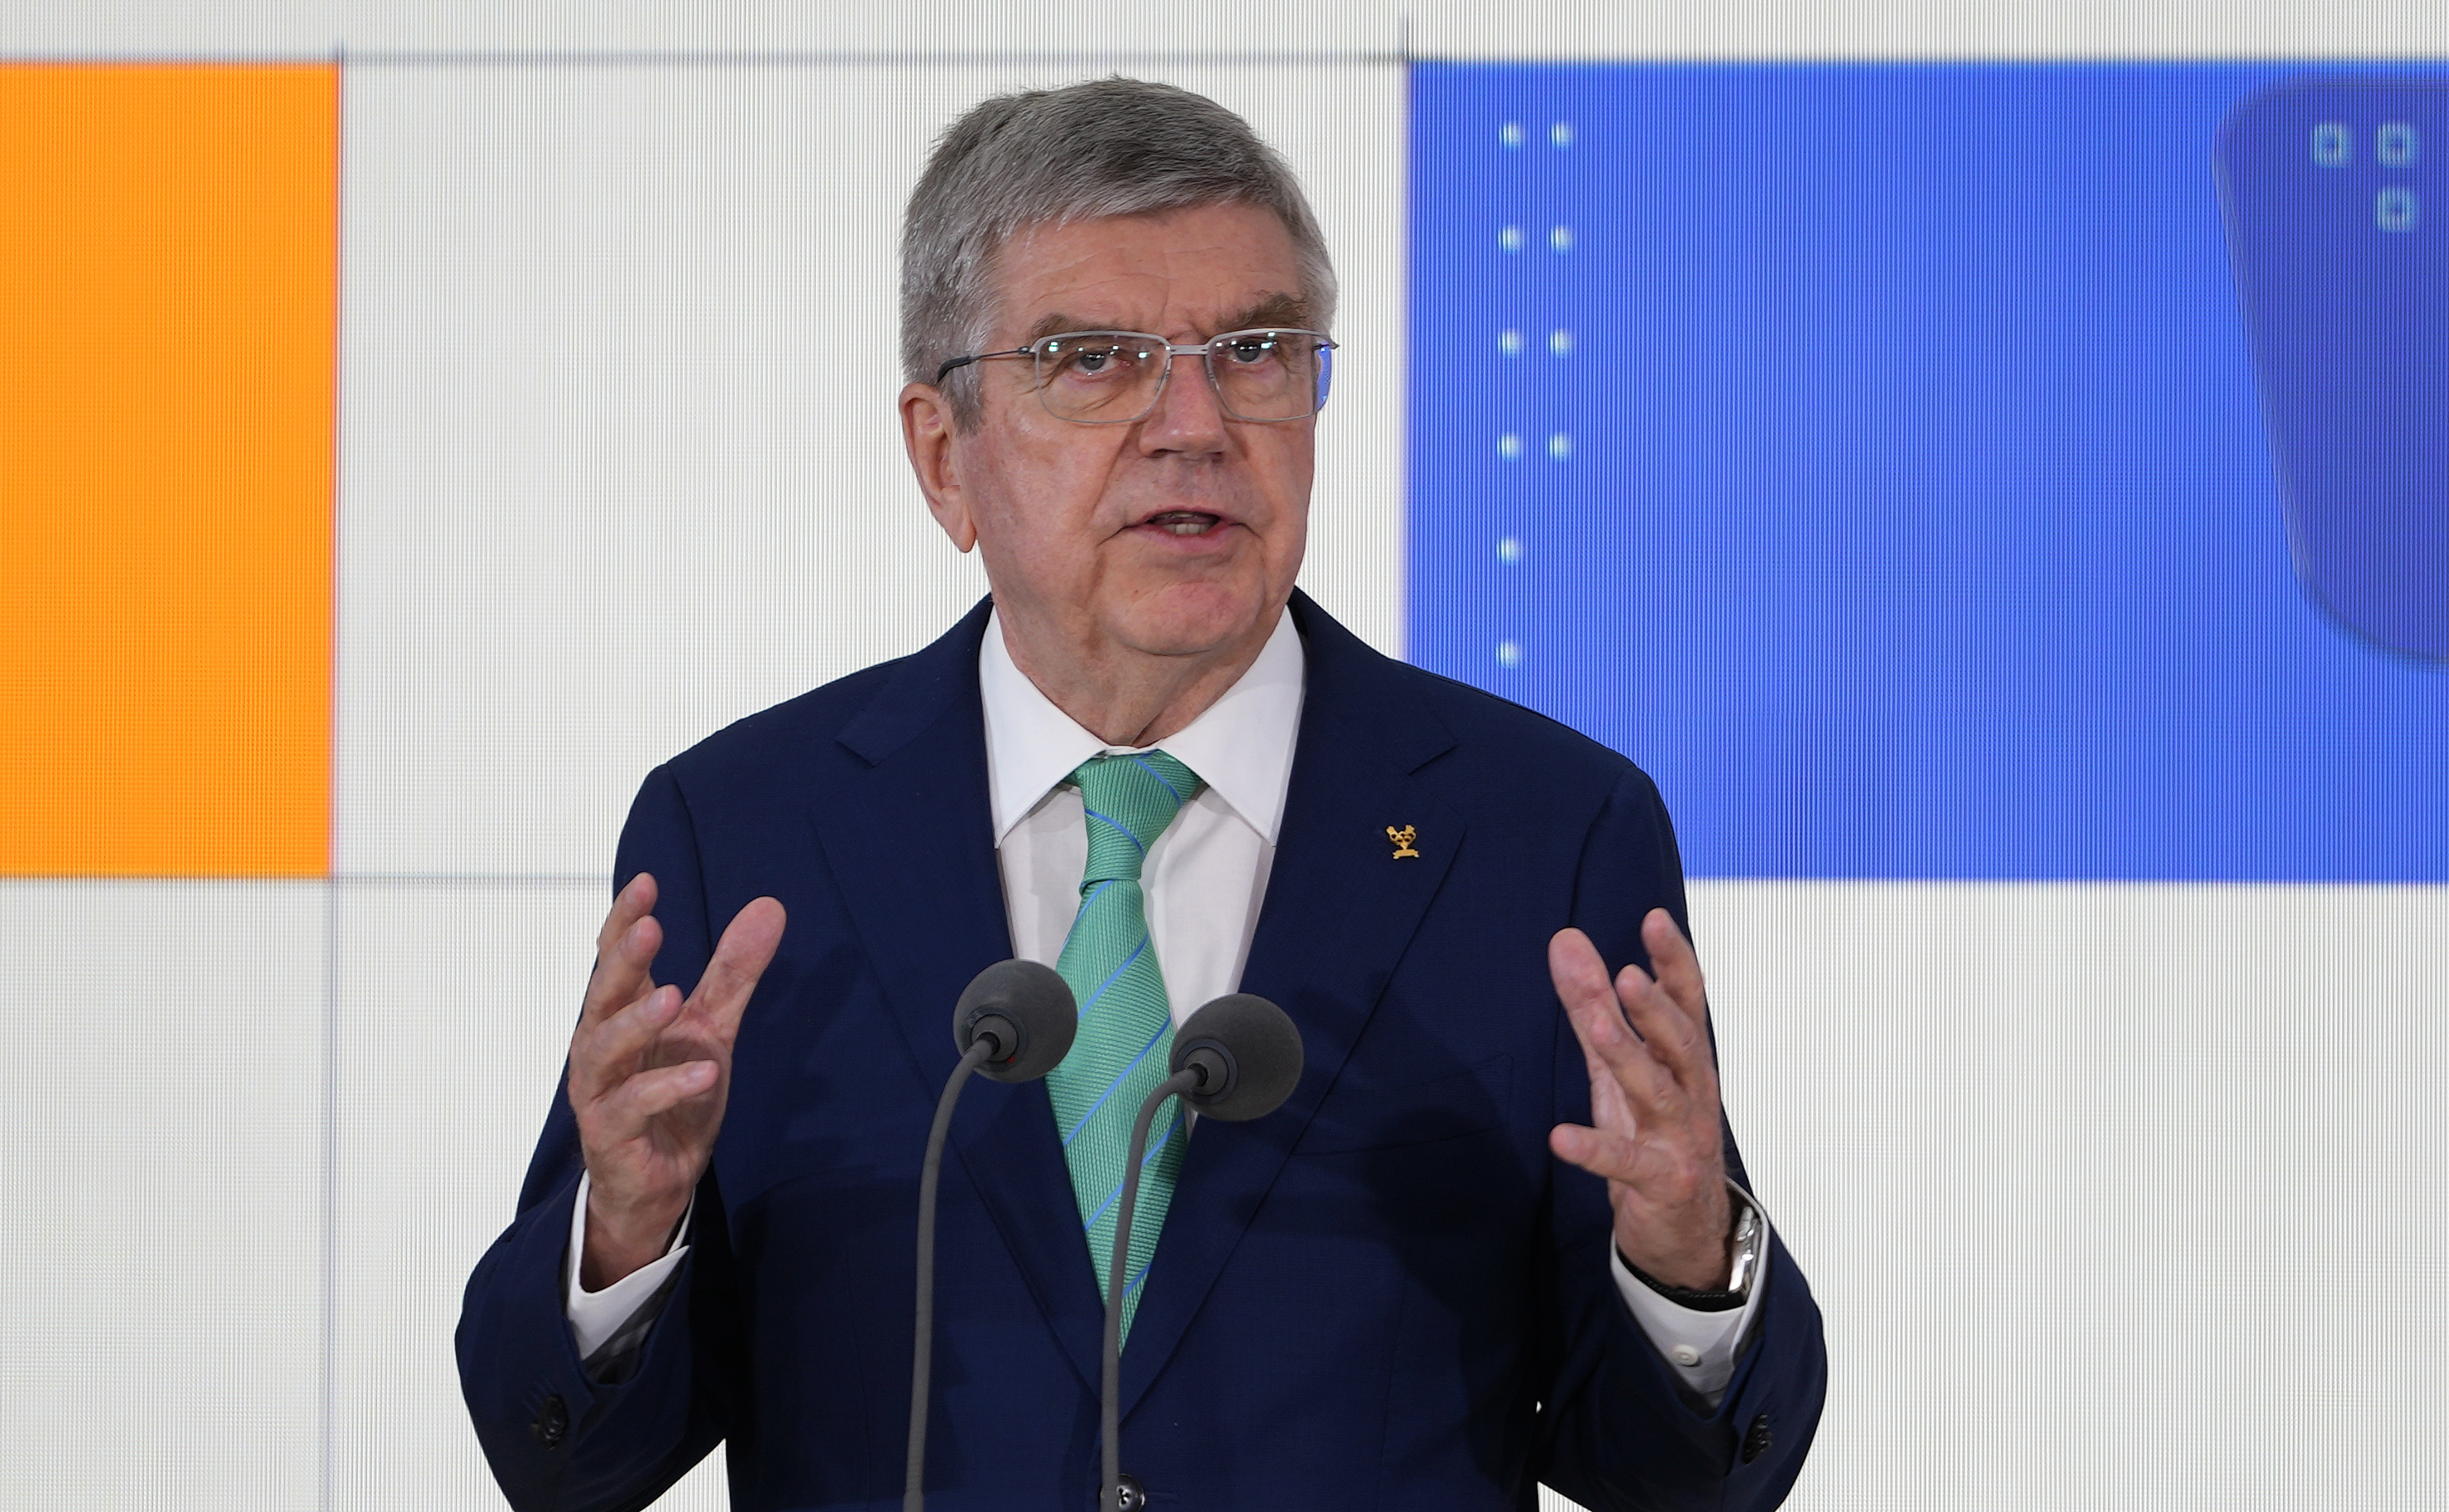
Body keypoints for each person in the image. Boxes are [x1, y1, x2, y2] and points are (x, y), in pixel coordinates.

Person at [458, 77, 1825, 1510]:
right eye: (1094, 358)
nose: (1194, 422)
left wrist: (1684, 1257)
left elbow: (1683, 1484)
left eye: (1254, 349)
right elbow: (563, 1460)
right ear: (944, 454)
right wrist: (623, 1230)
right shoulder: (746, 832)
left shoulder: (1545, 832)